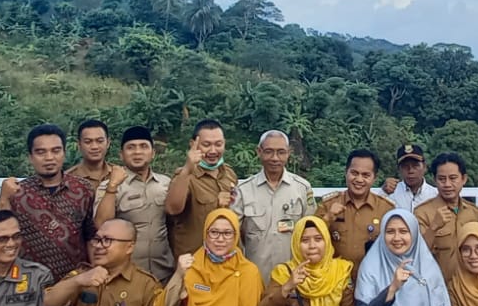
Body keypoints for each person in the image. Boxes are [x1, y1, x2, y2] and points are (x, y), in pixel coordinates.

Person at [0, 124, 95, 306]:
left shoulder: (83, 190)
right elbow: (4, 233)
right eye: (41, 152)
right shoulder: (18, 193)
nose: (49, 158)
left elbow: (90, 235)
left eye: (55, 150)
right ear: (30, 156)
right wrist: (4, 197)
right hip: (31, 292)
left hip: (72, 289)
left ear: (65, 152)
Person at [94, 125, 174, 282]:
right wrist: (112, 187)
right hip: (127, 276)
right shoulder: (110, 185)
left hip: (164, 272)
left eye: (144, 146)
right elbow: (101, 225)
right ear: (121, 155)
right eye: (131, 147)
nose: (137, 152)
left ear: (153, 153)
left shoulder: (166, 183)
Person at [234, 129, 313, 279]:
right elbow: (234, 236)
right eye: (269, 151)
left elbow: (311, 233)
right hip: (254, 276)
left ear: (289, 153)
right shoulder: (243, 191)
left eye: (281, 152)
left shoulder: (302, 188)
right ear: (259, 151)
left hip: (293, 277)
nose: (275, 158)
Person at [165, 119, 237, 260]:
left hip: (227, 261)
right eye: (206, 145)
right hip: (194, 262)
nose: (213, 151)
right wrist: (187, 169)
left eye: (218, 144)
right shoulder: (185, 176)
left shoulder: (229, 174)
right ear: (193, 144)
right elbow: (172, 209)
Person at [413, 152, 478, 283]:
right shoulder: (422, 212)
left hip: (471, 285)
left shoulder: (474, 212)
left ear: (464, 179)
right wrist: (433, 227)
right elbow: (416, 254)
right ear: (434, 180)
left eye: (453, 178)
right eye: (441, 179)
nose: (447, 184)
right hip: (438, 287)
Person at [315, 149, 394, 266]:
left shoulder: (386, 209)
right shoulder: (327, 205)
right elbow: (309, 239)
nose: (359, 179)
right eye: (354, 173)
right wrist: (328, 218)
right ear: (346, 172)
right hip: (335, 280)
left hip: (373, 279)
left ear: (374, 178)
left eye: (366, 175)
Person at [382, 143, 438, 213]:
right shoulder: (390, 195)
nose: (410, 171)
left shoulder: (436, 195)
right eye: (405, 166)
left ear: (424, 167)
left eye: (415, 166)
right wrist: (382, 192)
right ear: (399, 169)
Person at [65, 118, 113, 188]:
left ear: (108, 143)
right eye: (88, 142)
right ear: (79, 144)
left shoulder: (120, 174)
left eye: (100, 141)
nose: (94, 147)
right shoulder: (67, 179)